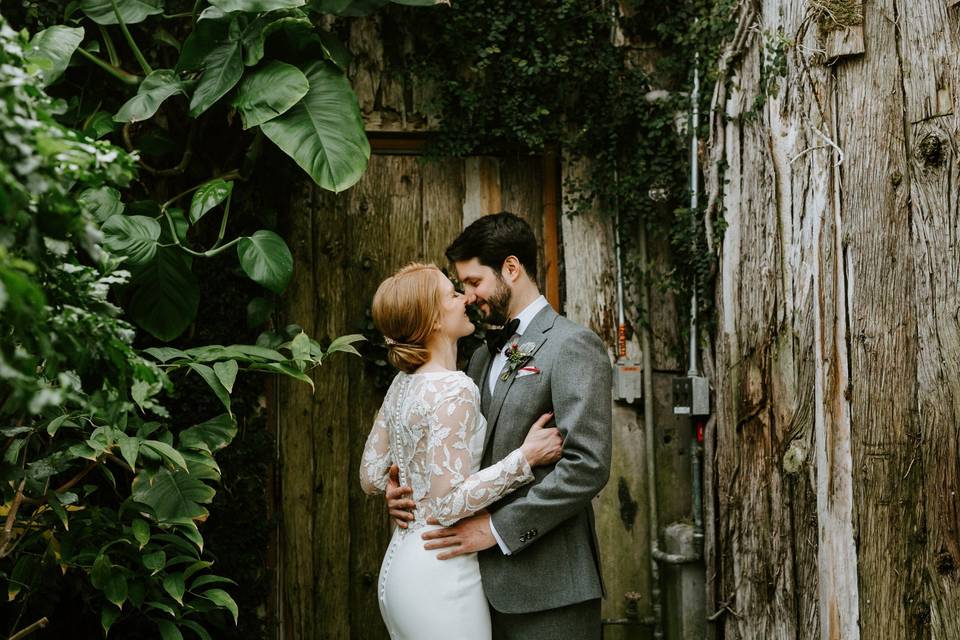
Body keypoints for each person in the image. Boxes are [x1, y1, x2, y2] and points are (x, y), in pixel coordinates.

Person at [387, 212, 613, 639]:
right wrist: (401, 487)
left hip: (548, 592)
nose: (468, 296)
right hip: (469, 589)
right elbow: (452, 453)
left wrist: (496, 530)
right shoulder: (478, 357)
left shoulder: (571, 345)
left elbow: (587, 465)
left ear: (511, 268)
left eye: (474, 282)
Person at [359, 262, 564, 640]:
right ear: (434, 319)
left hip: (399, 568)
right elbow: (447, 505)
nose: (464, 298)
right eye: (453, 295)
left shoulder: (402, 384)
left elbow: (370, 476)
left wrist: (396, 485)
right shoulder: (455, 388)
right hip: (441, 571)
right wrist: (525, 459)